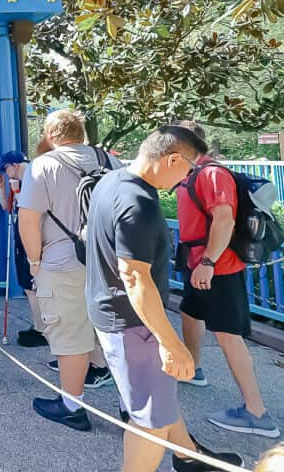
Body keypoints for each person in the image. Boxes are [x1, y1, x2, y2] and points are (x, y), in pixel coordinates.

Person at [85, 126, 240, 472]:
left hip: (117, 315)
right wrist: (170, 342)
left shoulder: (113, 181)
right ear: (172, 158)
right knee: (150, 419)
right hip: (132, 323)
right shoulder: (137, 204)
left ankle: (188, 458)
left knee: (159, 399)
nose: (186, 179)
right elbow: (135, 278)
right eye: (189, 169)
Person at [174, 121, 279, 438]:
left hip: (218, 269)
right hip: (202, 267)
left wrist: (207, 261)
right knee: (190, 311)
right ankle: (193, 368)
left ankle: (257, 413)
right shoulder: (195, 172)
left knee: (228, 336)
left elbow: (224, 218)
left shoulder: (211, 173)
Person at [17, 110, 118, 430]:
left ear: (50, 134)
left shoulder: (43, 166)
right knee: (114, 336)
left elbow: (29, 220)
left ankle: (72, 404)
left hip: (62, 261)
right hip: (111, 261)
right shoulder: (110, 162)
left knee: (70, 336)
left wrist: (35, 261)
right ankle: (134, 409)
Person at [0, 150, 47, 347]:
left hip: (33, 237)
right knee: (28, 284)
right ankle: (39, 325)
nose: (5, 173)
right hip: (24, 236)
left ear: (14, 165)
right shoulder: (17, 184)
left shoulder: (33, 179)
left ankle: (43, 328)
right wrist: (4, 190)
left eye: (5, 169)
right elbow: (8, 208)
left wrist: (17, 193)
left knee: (33, 284)